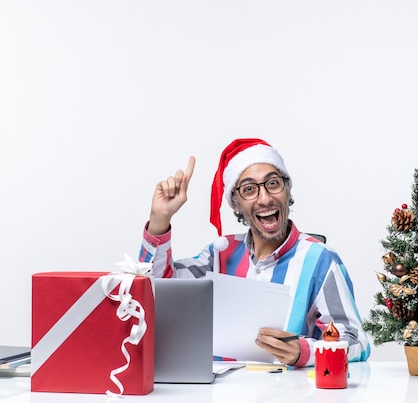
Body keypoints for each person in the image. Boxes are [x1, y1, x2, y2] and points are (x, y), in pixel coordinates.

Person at [138, 138, 371, 367]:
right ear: (236, 204)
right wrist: (160, 220)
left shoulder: (320, 260)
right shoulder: (218, 255)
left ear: (287, 189)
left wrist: (304, 352)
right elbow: (157, 290)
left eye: (273, 183)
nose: (265, 198)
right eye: (249, 189)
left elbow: (356, 341)